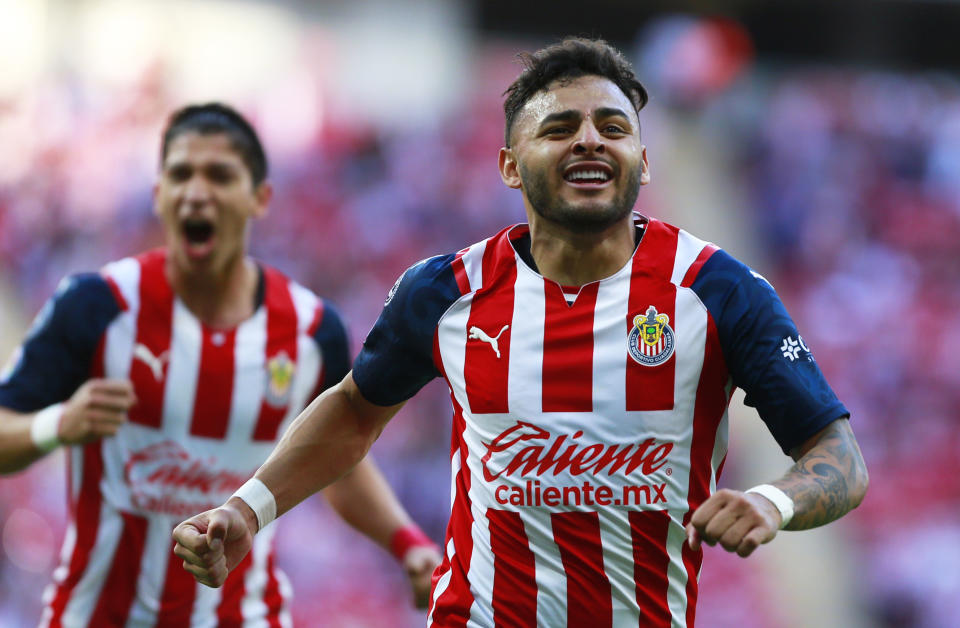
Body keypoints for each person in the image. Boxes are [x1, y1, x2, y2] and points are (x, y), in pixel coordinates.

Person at [173, 39, 869, 627]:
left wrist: (772, 501)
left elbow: (838, 457)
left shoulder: (719, 291)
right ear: (510, 166)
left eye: (613, 127)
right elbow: (355, 413)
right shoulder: (445, 292)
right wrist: (248, 510)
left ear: (644, 163)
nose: (590, 139)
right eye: (560, 127)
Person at [0, 103, 440, 627]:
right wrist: (57, 425)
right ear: (159, 194)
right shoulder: (94, 306)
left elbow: (334, 454)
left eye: (220, 175)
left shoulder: (310, 329)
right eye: (181, 174)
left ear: (260, 198)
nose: (197, 191)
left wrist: (407, 543)